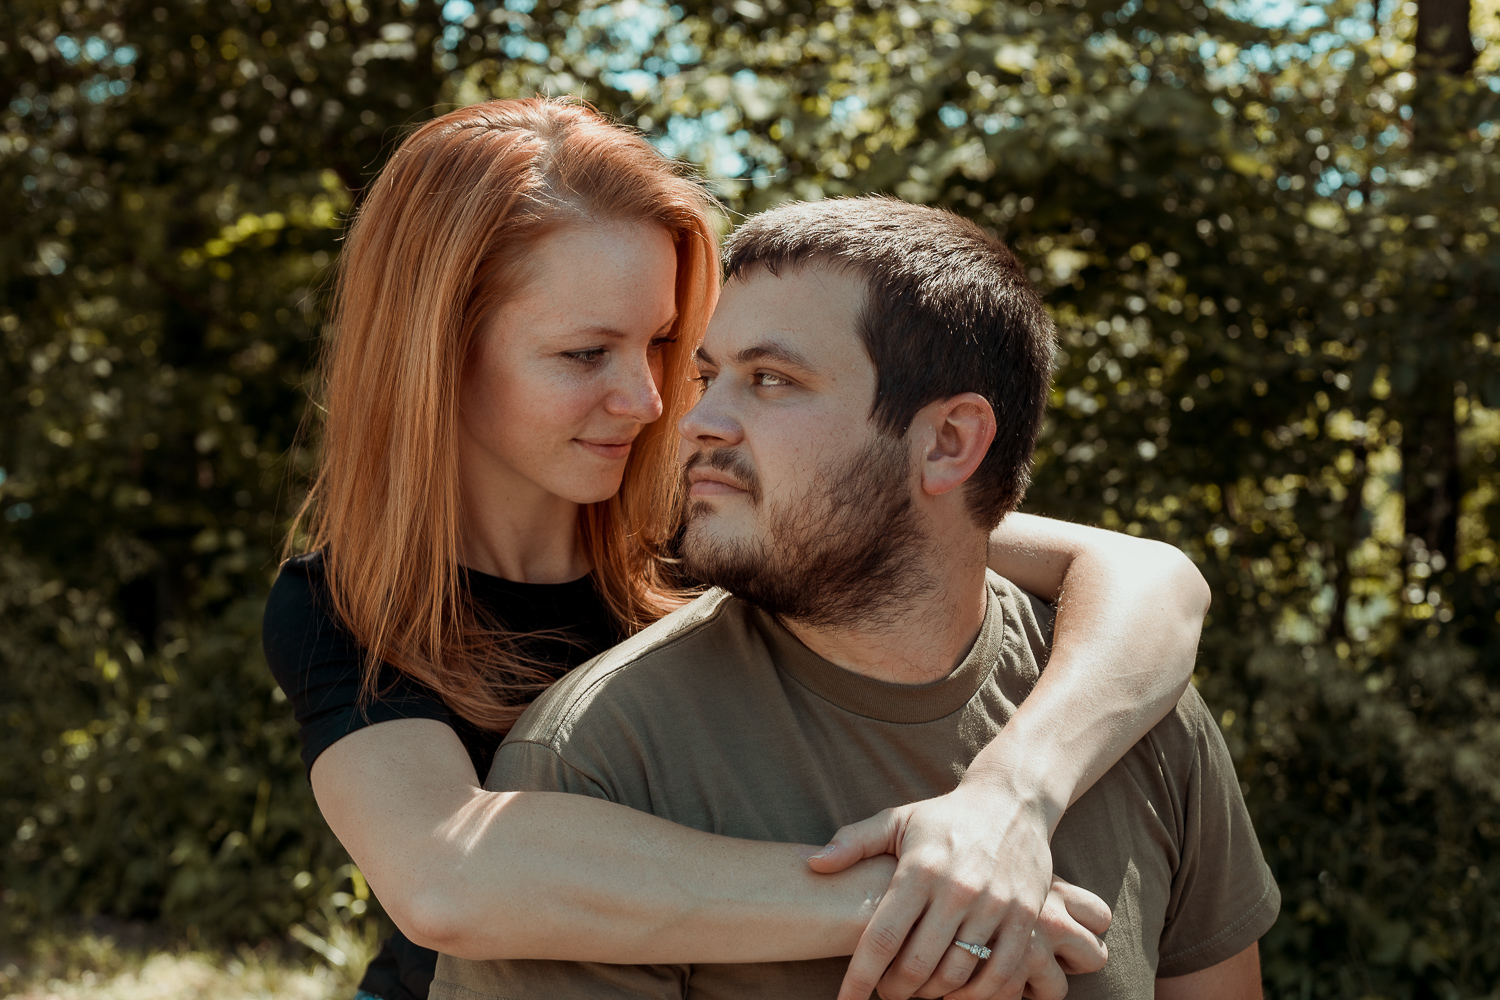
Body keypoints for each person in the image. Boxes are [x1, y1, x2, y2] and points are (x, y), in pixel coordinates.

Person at [262, 99, 1214, 1000]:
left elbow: (1149, 578)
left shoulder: (716, 513)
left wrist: (1008, 804)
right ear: (439, 351)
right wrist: (928, 897)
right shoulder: (346, 604)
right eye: (586, 354)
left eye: (666, 346)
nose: (648, 401)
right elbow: (450, 876)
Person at [431, 197, 1279, 1000]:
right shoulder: (600, 759)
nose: (693, 420)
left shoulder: (1135, 714)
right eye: (709, 374)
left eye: (770, 379)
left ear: (948, 443)